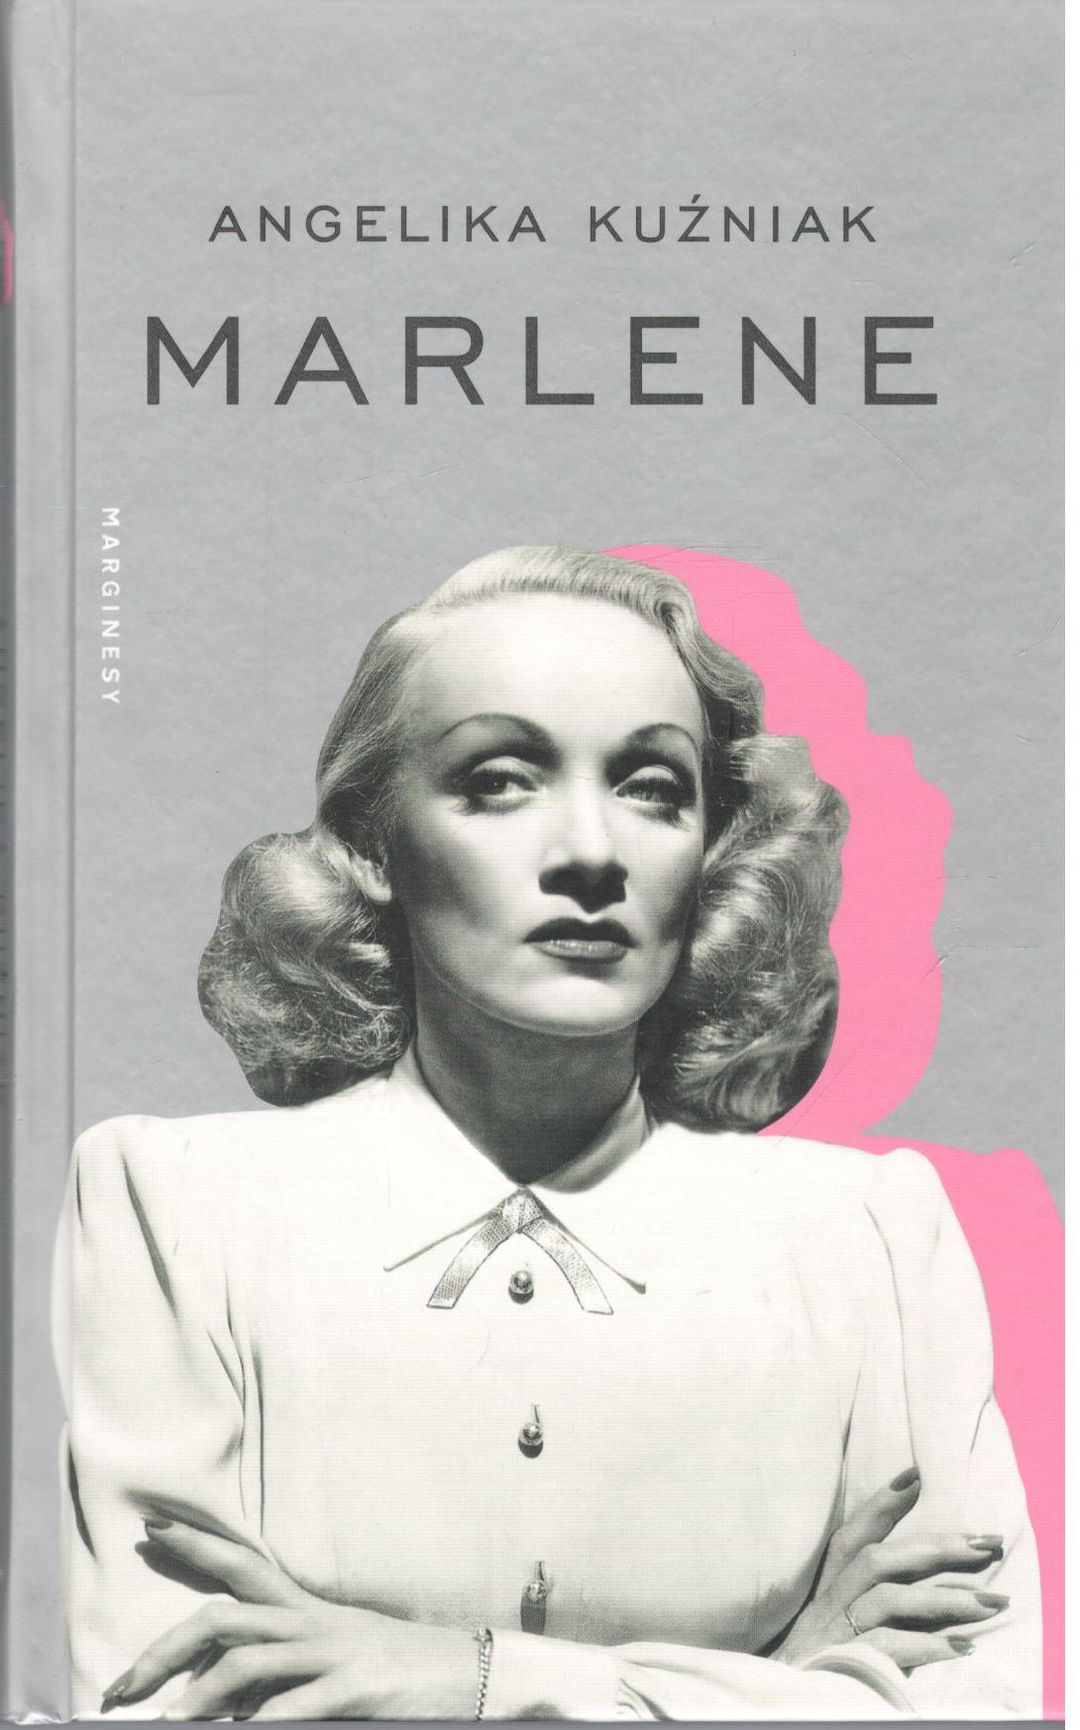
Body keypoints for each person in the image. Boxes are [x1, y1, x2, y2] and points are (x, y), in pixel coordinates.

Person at [52, 547, 1041, 1720]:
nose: (592, 853)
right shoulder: (176, 1205)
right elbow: (162, 1704)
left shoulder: (870, 1236)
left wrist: (467, 1677)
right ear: (371, 840)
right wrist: (782, 1686)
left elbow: (976, 1707)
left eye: (653, 788)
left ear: (713, 846)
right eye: (501, 779)